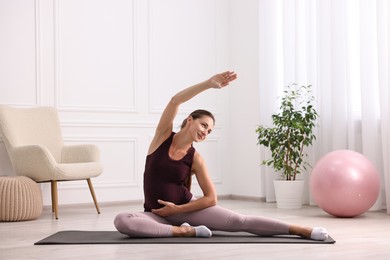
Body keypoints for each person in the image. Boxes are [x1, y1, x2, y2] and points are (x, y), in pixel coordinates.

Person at [114, 71, 328, 240]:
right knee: (123, 220)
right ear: (190, 119)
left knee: (241, 222)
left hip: (186, 211)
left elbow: (211, 199)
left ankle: (301, 230)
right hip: (156, 215)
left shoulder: (195, 158)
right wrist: (208, 84)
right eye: (203, 125)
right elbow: (174, 101)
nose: (205, 132)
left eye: (209, 131)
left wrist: (177, 210)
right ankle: (186, 232)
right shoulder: (162, 138)